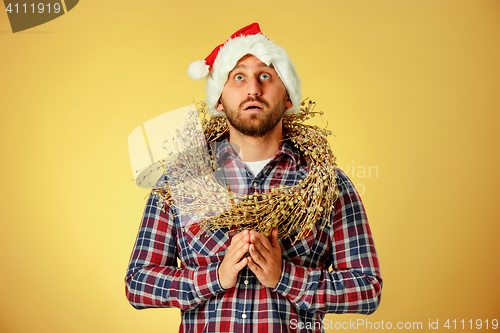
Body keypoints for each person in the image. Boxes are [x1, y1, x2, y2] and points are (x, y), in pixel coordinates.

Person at [125, 23, 382, 332]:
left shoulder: (328, 183)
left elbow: (367, 290)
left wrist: (284, 277)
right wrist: (214, 278)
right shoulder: (180, 180)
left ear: (287, 97)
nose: (253, 90)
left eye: (265, 76)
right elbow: (138, 283)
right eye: (238, 77)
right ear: (219, 101)